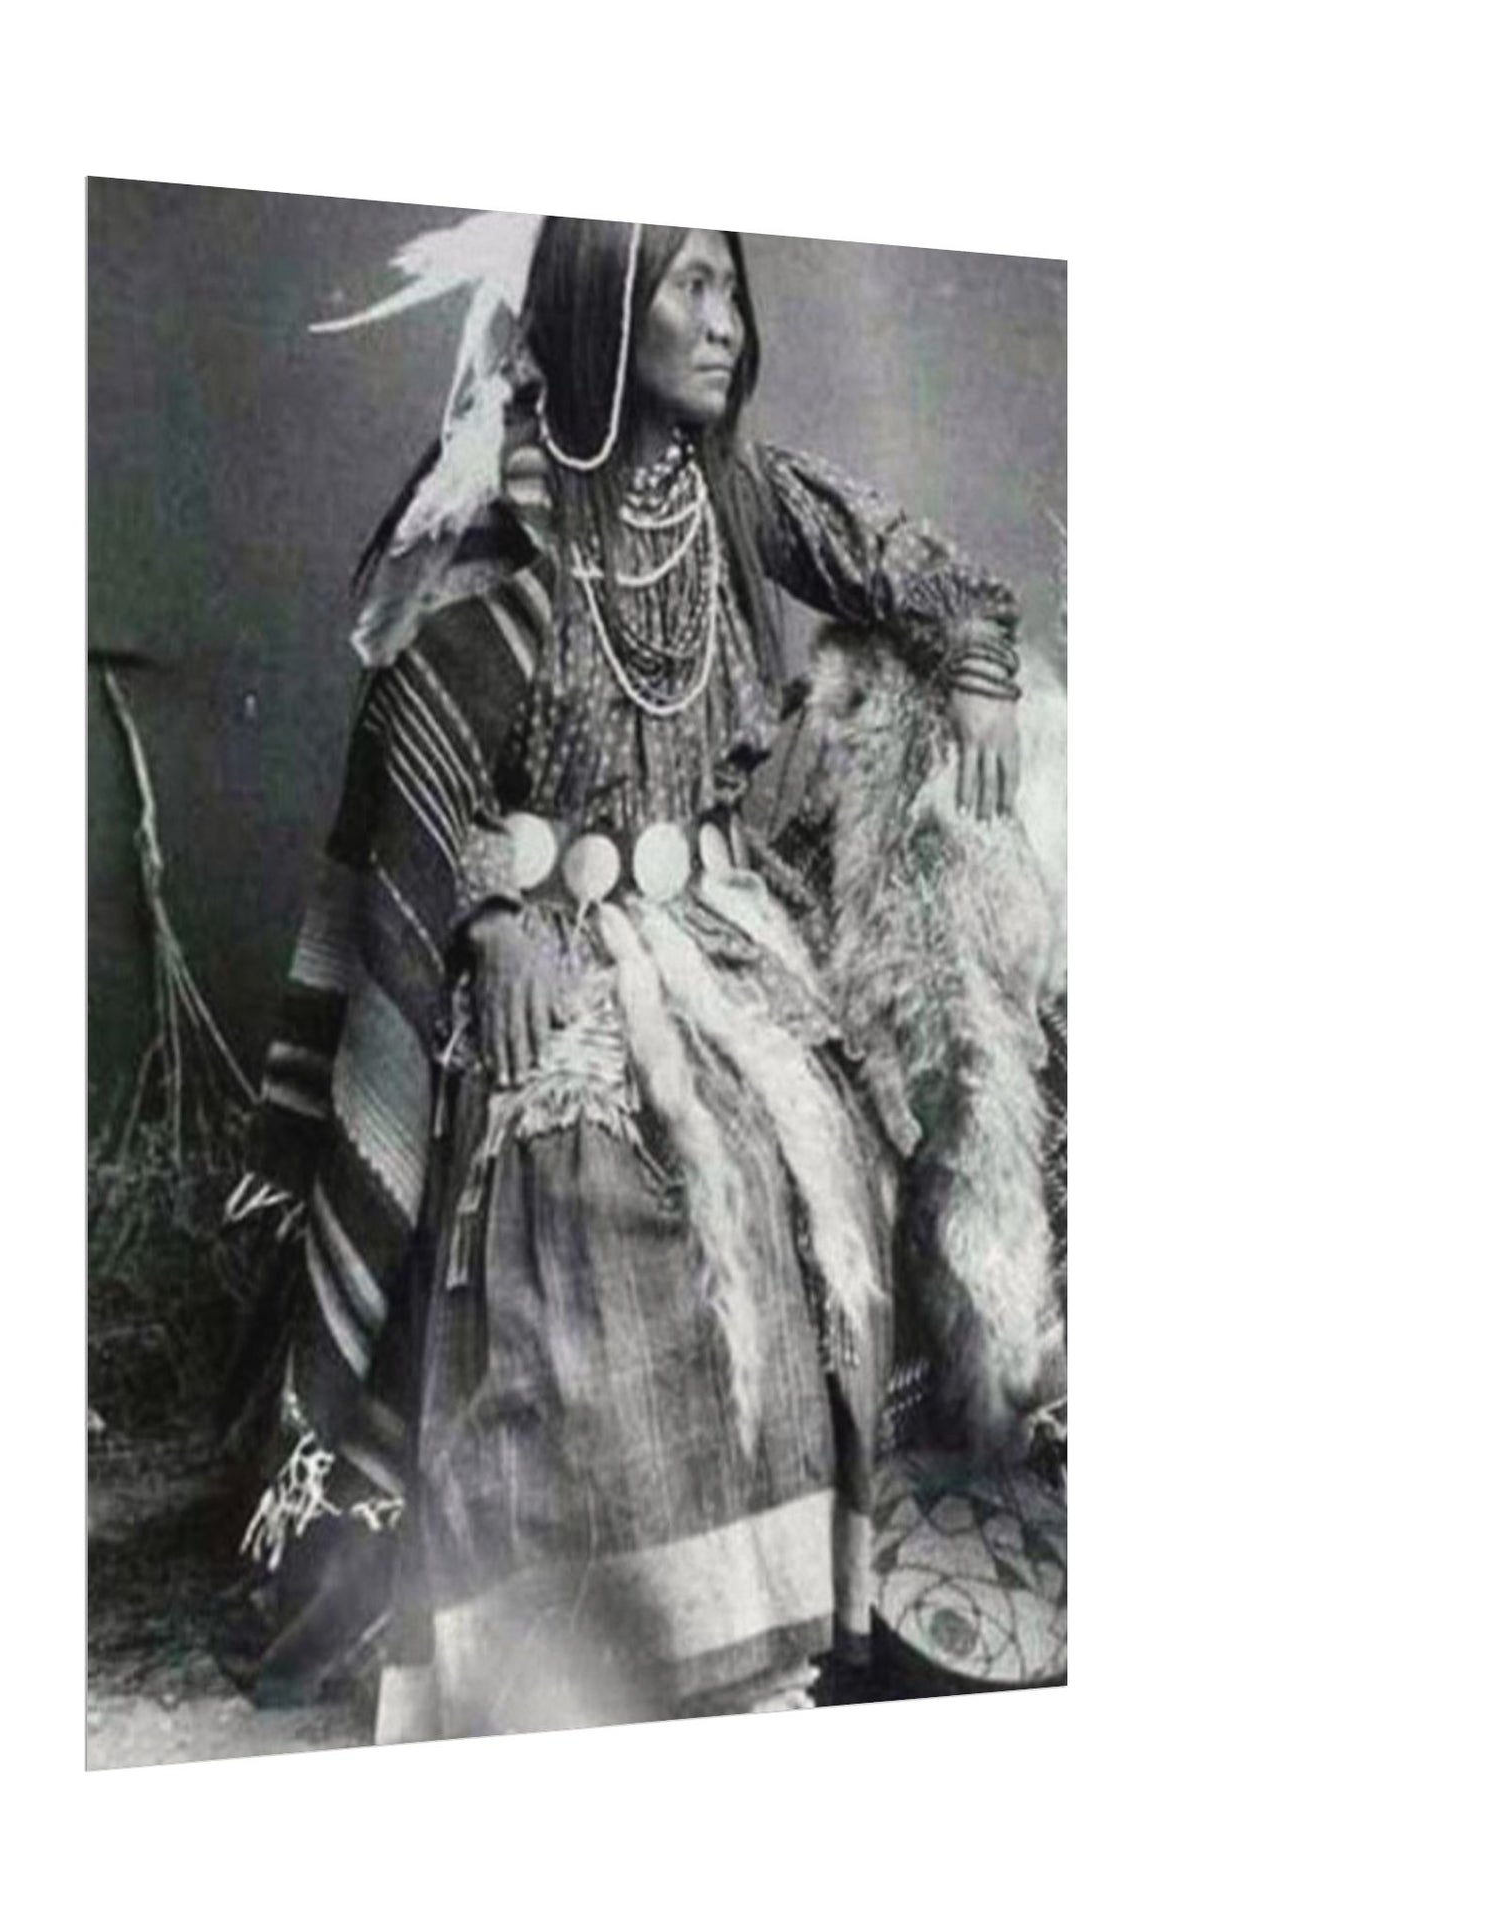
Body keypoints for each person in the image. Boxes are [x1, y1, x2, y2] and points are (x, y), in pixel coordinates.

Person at [232, 219, 1031, 1740]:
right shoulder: (505, 502)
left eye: (734, 290)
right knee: (594, 1191)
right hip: (547, 935)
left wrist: (980, 674)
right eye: (691, 287)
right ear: (607, 306)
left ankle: (783, 1622)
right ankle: (603, 1652)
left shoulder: (737, 491)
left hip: (722, 929)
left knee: (807, 1161)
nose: (727, 324)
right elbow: (414, 761)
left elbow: (917, 569)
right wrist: (489, 915)